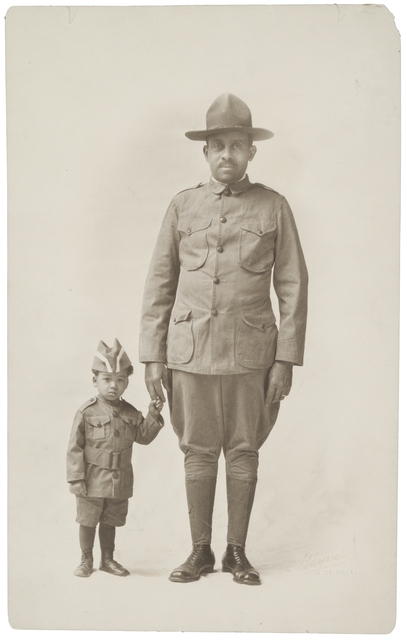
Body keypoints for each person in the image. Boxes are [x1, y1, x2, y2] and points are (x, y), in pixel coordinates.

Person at [139, 93, 308, 585]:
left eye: (237, 145)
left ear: (251, 152)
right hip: (188, 355)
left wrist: (285, 360)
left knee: (243, 450)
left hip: (252, 356)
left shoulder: (273, 207)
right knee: (196, 450)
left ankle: (237, 552)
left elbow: (293, 287)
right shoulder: (182, 206)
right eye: (218, 146)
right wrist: (152, 356)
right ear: (205, 152)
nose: (227, 154)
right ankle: (199, 551)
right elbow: (159, 285)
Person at [66, 339, 164, 578]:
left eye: (120, 380)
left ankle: (107, 559)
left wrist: (152, 415)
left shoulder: (131, 412)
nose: (113, 386)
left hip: (119, 480)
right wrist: (76, 479)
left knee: (110, 520)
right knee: (88, 520)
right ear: (95, 381)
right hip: (91, 479)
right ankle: (86, 559)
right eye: (107, 379)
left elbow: (143, 437)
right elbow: (74, 448)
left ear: (127, 383)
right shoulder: (86, 411)